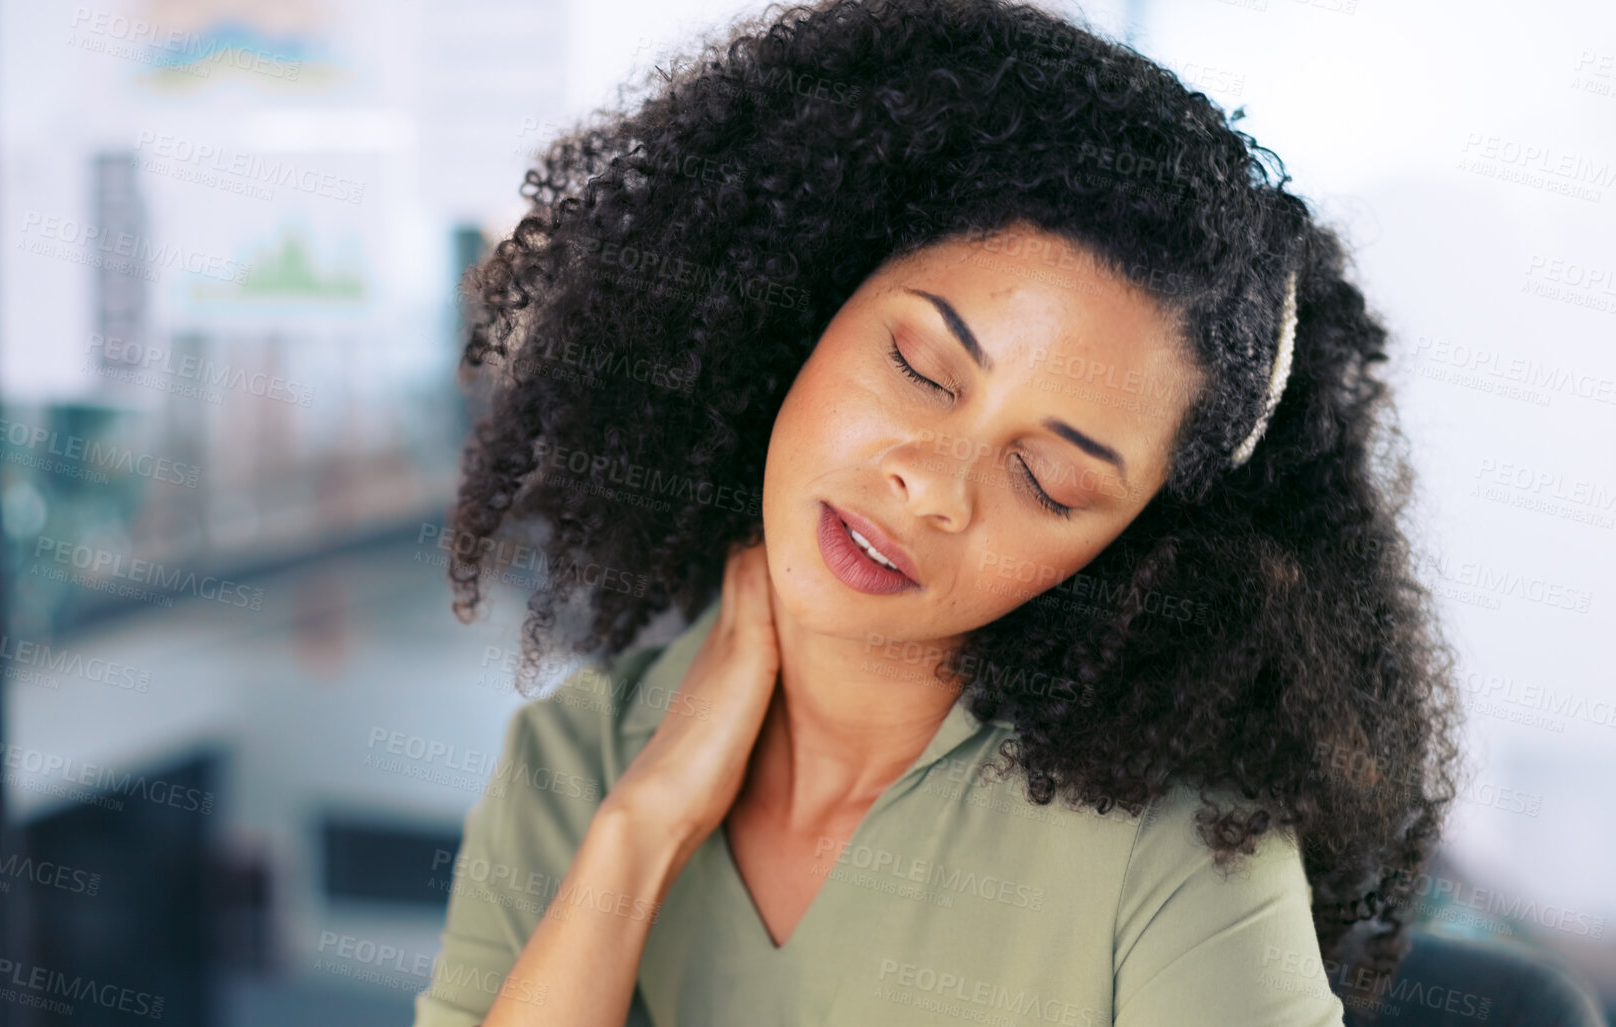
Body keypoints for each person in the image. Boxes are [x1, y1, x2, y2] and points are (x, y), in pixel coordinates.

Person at [419, 0, 1461, 1023]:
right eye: (920, 366)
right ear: (813, 298)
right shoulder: (578, 765)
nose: (933, 483)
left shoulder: (1181, 859)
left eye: (1049, 479)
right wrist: (640, 831)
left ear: (1138, 548)